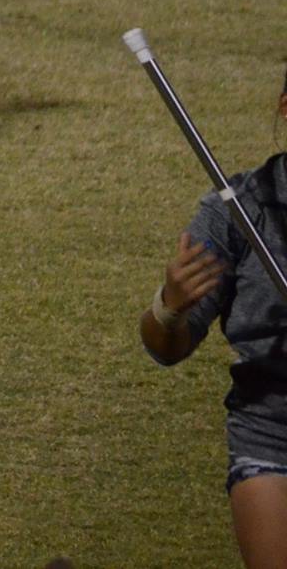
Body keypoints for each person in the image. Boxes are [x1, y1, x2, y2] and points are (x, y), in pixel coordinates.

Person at [139, 74, 287, 567]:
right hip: (274, 439)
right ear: (285, 106)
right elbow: (165, 348)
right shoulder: (236, 211)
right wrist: (170, 307)